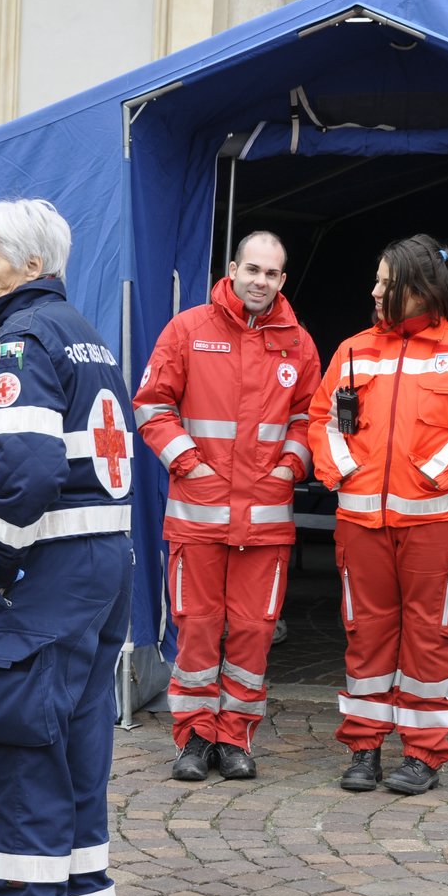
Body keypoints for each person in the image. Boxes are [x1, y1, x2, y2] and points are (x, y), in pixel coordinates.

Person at [0, 199, 134, 896]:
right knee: (80, 755)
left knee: (26, 758)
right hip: (103, 573)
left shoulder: (23, 340)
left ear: (28, 266)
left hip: (47, 579)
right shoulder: (85, 331)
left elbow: (22, 471)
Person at [308, 234, 448, 795]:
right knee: (365, 636)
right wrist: (345, 471)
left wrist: (432, 471)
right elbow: (322, 420)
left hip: (435, 524)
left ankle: (423, 754)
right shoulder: (352, 350)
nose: (373, 291)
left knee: (430, 638)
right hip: (360, 524)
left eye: (384, 282)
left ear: (418, 290)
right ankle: (364, 749)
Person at [133, 231, 321, 781]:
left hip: (264, 525)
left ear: (282, 280)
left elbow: (311, 417)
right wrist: (188, 462)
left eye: (272, 274)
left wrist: (290, 465)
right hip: (198, 520)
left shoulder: (298, 344)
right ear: (233, 269)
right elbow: (151, 405)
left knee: (253, 634)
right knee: (195, 629)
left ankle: (235, 738)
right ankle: (193, 738)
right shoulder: (189, 330)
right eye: (253, 270)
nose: (260, 281)